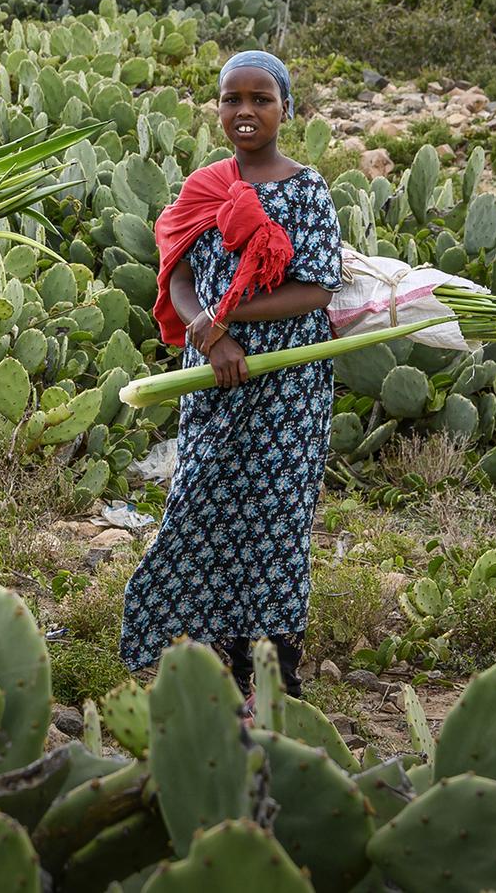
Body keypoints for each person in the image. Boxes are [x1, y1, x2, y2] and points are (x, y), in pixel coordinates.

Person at [119, 51, 343, 699]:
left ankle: (272, 667)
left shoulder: (307, 189)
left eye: (261, 98)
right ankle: (202, 653)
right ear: (217, 108)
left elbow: (317, 289)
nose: (245, 111)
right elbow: (178, 276)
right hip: (212, 378)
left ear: (286, 108)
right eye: (231, 99)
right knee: (201, 503)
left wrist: (227, 317)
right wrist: (204, 330)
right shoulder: (205, 186)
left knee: (276, 520)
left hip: (288, 385)